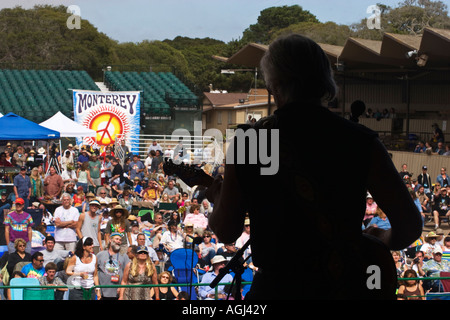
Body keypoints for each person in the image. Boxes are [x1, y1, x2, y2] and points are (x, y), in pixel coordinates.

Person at [204, 34, 423, 300]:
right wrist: (377, 239)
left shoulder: (251, 142)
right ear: (325, 81)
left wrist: (217, 199)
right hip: (344, 290)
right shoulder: (360, 141)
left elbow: (227, 230)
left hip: (279, 289)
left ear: (273, 84)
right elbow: (409, 225)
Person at [96, 232, 130, 300]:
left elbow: (127, 275)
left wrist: (122, 288)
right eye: (117, 239)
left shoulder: (124, 256)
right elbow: (94, 272)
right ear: (110, 240)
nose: (118, 241)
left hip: (117, 293)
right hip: (102, 293)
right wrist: (97, 289)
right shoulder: (100, 255)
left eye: (120, 240)